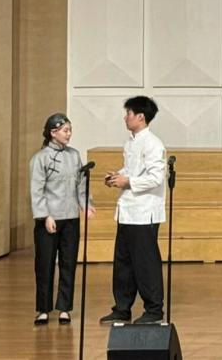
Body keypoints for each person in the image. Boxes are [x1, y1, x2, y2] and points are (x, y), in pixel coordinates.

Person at [100, 95, 166, 325]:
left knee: (145, 263)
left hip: (144, 211)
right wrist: (116, 176)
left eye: (128, 113)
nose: (125, 117)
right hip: (127, 210)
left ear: (140, 117)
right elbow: (132, 169)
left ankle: (154, 309)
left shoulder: (153, 144)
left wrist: (127, 181)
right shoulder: (130, 142)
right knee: (123, 262)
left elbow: (156, 177)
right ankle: (122, 307)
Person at [29, 113, 93, 326]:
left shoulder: (74, 155)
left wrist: (85, 204)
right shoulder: (40, 158)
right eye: (65, 130)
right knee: (45, 264)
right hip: (49, 219)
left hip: (70, 218)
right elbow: (36, 190)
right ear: (53, 132)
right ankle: (43, 309)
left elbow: (81, 183)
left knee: (68, 263)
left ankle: (64, 307)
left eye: (70, 130)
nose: (69, 134)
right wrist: (45, 215)